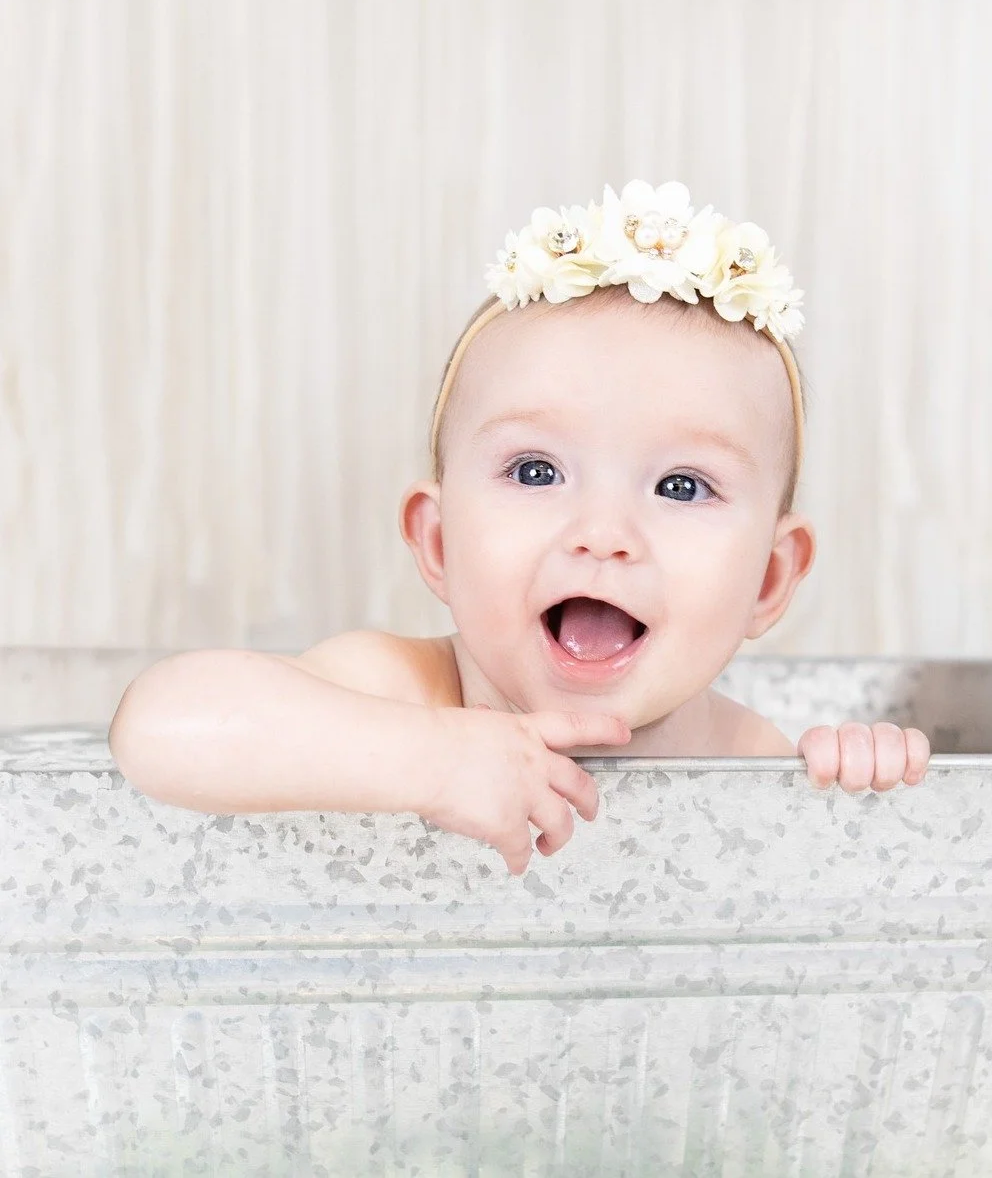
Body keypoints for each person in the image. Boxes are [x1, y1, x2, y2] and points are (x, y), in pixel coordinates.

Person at [108, 181, 931, 876]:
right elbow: (160, 726)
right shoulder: (397, 691)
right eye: (536, 472)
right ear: (436, 542)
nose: (603, 532)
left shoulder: (751, 757)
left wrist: (858, 784)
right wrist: (429, 758)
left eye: (680, 485)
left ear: (768, 579)